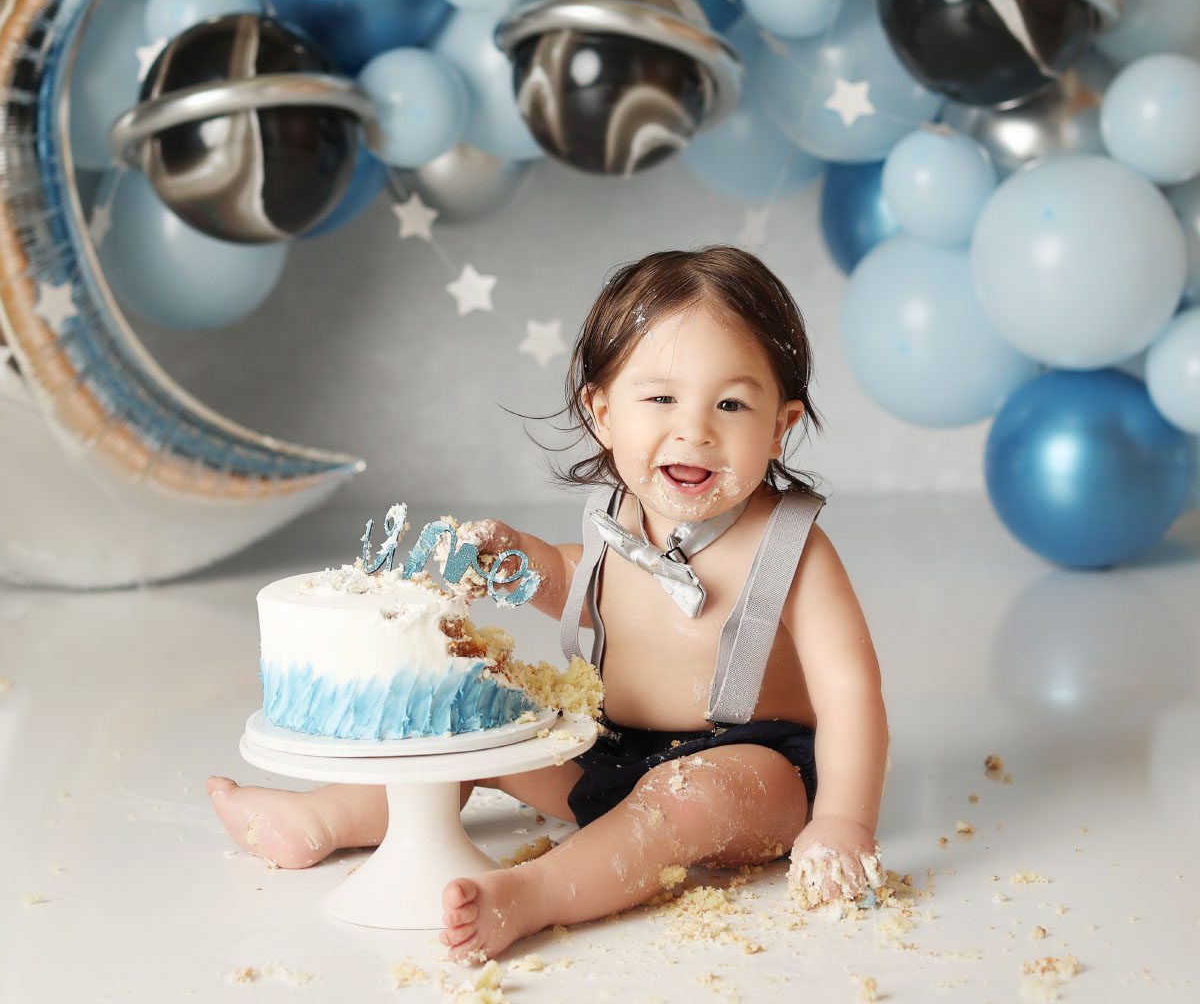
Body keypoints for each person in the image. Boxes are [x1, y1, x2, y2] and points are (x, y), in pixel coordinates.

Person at [208, 245, 889, 964]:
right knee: (475, 732)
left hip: (754, 770)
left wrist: (844, 818)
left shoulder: (793, 549)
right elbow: (586, 588)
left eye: (731, 404)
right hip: (605, 752)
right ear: (601, 413)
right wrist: (525, 565)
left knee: (687, 800)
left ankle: (537, 894)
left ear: (779, 428)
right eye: (660, 398)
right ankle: (325, 816)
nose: (694, 429)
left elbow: (851, 690)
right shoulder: (615, 517)